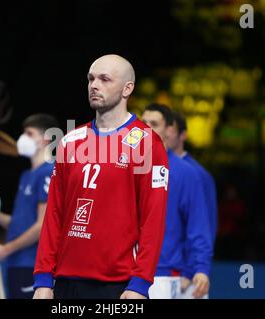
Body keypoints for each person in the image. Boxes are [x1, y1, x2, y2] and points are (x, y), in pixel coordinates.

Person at [32, 54, 169, 299]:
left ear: (128, 88)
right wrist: (43, 277)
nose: (94, 85)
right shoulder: (70, 141)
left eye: (105, 79)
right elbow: (54, 214)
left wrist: (140, 283)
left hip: (117, 285)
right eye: (91, 78)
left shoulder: (147, 143)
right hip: (65, 282)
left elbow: (153, 219)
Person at [142, 104, 213, 299]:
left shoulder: (186, 173)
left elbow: (199, 226)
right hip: (127, 273)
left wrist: (196, 269)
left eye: (154, 124)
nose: (147, 128)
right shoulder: (125, 167)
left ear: (169, 130)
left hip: (166, 275)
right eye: (143, 123)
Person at [0, 114, 58, 299]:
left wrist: (5, 250)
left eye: (29, 134)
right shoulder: (26, 175)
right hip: (16, 262)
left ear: (45, 139)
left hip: (33, 263)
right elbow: (19, 223)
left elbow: (42, 226)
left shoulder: (48, 172)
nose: (23, 138)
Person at [166, 110, 218, 299]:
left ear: (182, 135)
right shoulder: (150, 169)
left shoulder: (198, 175)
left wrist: (190, 270)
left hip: (184, 277)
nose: (164, 133)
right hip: (159, 272)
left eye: (170, 129)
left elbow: (206, 226)